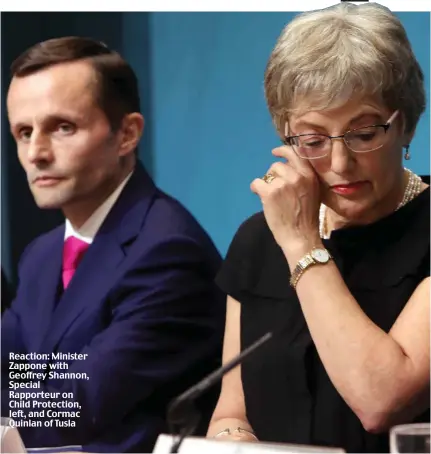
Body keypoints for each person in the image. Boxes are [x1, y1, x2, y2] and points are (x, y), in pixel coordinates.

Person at [207, 3, 430, 453]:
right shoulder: (257, 239)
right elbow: (231, 413)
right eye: (312, 141)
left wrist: (302, 243)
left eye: (365, 134)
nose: (340, 164)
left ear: (403, 125)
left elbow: (381, 401)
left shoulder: (290, 234)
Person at [2, 37, 225, 453]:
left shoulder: (168, 249)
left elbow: (79, 402)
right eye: (23, 132)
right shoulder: (41, 255)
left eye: (62, 127)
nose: (36, 153)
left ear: (127, 134)